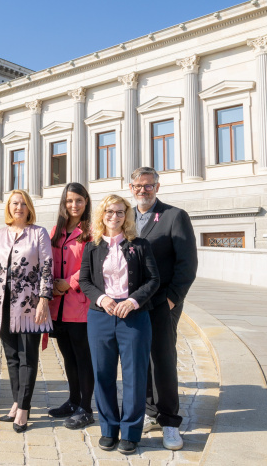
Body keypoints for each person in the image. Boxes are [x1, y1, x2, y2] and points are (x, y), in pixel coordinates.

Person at [79, 194, 160, 455]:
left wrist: (134, 301)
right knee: (102, 374)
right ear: (101, 215)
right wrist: (102, 299)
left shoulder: (140, 244)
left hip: (133, 317)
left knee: (135, 375)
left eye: (120, 212)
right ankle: (108, 428)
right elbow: (85, 281)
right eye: (110, 212)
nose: (114, 217)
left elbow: (153, 280)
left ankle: (131, 432)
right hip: (101, 316)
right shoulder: (91, 246)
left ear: (127, 216)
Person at [130, 167, 197, 450]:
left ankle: (170, 421)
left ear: (157, 187)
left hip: (162, 302)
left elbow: (187, 263)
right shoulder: (124, 216)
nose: (143, 191)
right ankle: (150, 411)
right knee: (140, 358)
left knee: (163, 359)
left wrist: (172, 299)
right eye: (138, 186)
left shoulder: (174, 216)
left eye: (148, 186)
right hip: (133, 303)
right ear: (130, 187)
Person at [0, 190, 53, 433]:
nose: (19, 207)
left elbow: (47, 267)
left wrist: (44, 300)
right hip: (2, 304)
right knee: (12, 356)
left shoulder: (39, 233)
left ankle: (24, 409)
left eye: (24, 204)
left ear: (29, 208)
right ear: (8, 207)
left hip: (29, 304)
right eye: (15, 203)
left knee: (28, 356)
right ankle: (16, 402)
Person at [48, 183, 95, 429]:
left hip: (81, 306)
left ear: (86, 202)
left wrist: (69, 283)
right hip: (59, 306)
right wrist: (52, 286)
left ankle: (86, 408)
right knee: (68, 357)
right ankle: (73, 400)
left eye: (78, 200)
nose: (73, 205)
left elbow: (94, 266)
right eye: (69, 201)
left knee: (83, 358)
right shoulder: (56, 230)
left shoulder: (92, 232)